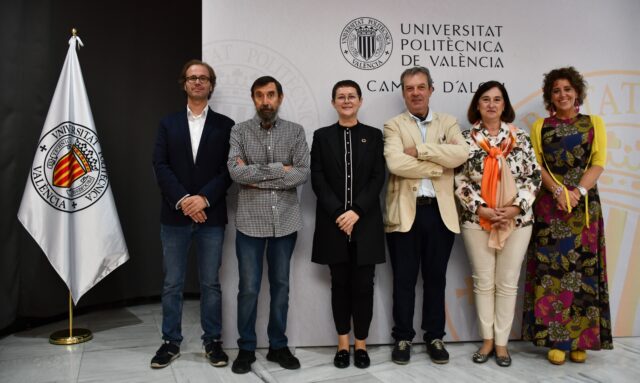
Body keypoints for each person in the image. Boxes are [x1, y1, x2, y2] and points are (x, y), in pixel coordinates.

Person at [522, 66, 613, 365]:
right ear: (550, 96)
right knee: (553, 274)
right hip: (551, 206)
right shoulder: (540, 127)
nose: (562, 94)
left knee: (583, 272)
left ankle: (581, 340)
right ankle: (556, 340)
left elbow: (598, 162)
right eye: (556, 90)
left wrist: (578, 192)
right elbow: (537, 164)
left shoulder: (593, 123)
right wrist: (560, 192)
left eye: (567, 89)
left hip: (584, 208)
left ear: (577, 93)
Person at [151, 60, 234, 368]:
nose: (198, 82)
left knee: (210, 283)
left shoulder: (226, 125)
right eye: (192, 77)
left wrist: (203, 199)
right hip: (174, 217)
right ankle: (170, 342)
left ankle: (212, 341)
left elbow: (229, 170)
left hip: (211, 217)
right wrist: (186, 200)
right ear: (184, 83)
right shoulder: (168, 123)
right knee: (172, 282)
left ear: (211, 85)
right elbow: (160, 165)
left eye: (203, 78)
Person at [383, 66, 469, 365]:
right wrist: (437, 165)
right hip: (405, 214)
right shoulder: (393, 125)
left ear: (431, 89)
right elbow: (396, 163)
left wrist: (418, 150)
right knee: (403, 281)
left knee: (436, 279)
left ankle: (435, 336)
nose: (416, 93)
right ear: (403, 93)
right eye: (410, 88)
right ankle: (403, 338)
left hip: (440, 214)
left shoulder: (449, 122)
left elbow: (461, 155)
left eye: (421, 87)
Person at [454, 81, 541, 367]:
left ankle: (502, 343)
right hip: (478, 220)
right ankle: (487, 340)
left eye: (497, 99)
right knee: (483, 282)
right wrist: (483, 209)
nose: (491, 104)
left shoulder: (521, 138)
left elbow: (534, 177)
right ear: (477, 105)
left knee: (506, 283)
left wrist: (515, 207)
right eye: (485, 100)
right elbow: (460, 180)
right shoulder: (464, 139)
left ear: (505, 105)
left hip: (517, 221)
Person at [227, 76, 310, 374]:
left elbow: (301, 173)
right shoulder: (239, 131)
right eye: (260, 95)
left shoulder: (295, 132)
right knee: (248, 288)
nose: (266, 101)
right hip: (249, 223)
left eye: (271, 95)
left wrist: (256, 175)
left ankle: (278, 346)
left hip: (285, 223)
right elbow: (236, 174)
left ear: (280, 98)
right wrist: (279, 170)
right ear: (253, 98)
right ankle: (246, 348)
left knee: (281, 287)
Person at [310, 80, 386, 369]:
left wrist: (355, 212)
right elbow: (318, 179)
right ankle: (343, 345)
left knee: (364, 286)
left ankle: (362, 345)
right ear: (333, 103)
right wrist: (340, 214)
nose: (346, 100)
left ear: (360, 101)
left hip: (365, 223)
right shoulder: (321, 136)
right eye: (340, 97)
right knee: (339, 285)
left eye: (351, 96)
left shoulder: (374, 135)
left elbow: (378, 178)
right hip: (333, 224)